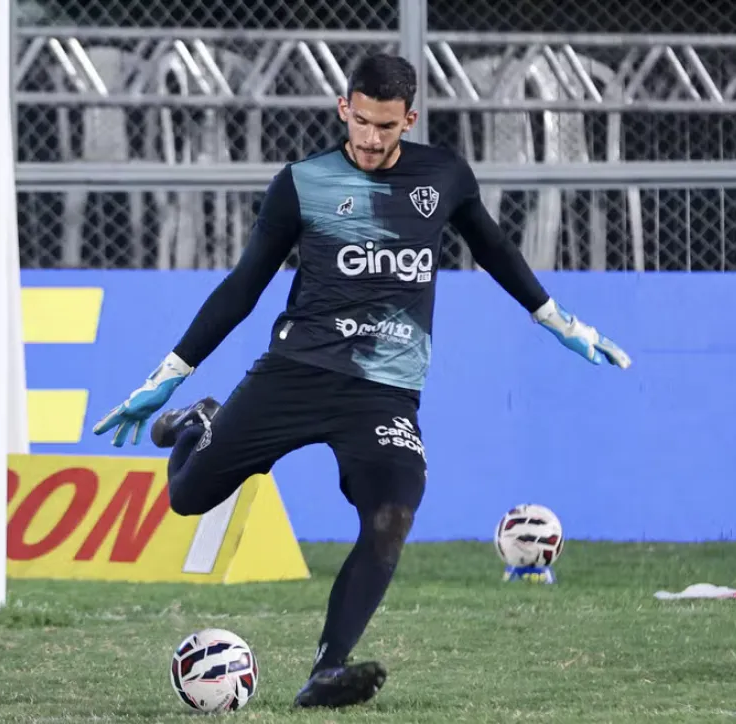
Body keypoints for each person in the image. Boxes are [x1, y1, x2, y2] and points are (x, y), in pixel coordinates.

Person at [93, 53, 631, 709]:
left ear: (410, 119)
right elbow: (243, 287)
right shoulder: (303, 183)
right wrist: (170, 373)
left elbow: (493, 247)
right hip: (294, 373)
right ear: (344, 108)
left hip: (383, 392)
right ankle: (201, 422)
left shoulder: (444, 176)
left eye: (387, 126)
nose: (372, 139)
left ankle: (327, 669)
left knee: (392, 516)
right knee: (187, 497)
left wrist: (557, 320)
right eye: (362, 122)